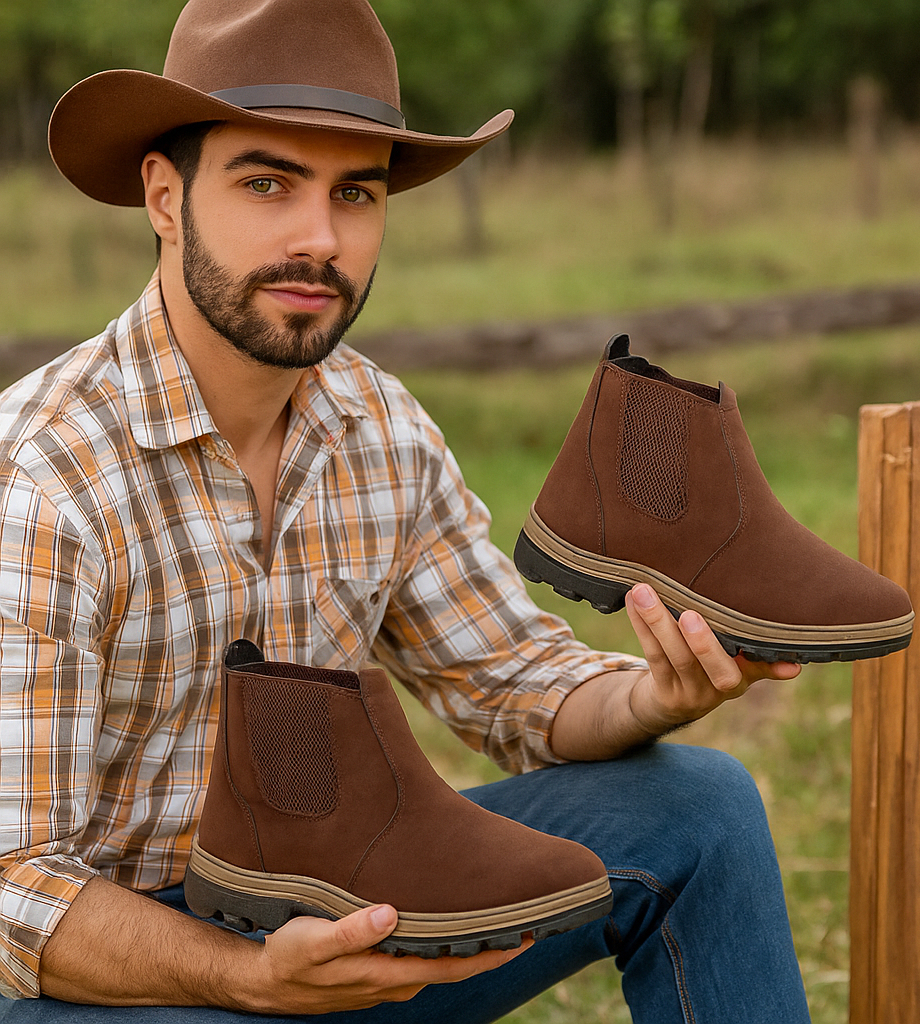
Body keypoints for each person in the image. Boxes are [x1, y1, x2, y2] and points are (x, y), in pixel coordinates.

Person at [0, 1, 812, 1020]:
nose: (318, 239)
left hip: (334, 923)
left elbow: (513, 684)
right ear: (164, 197)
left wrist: (651, 696)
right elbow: (11, 886)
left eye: (356, 193)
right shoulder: (42, 476)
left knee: (699, 804)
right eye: (266, 183)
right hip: (109, 981)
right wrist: (248, 977)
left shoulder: (375, 424)